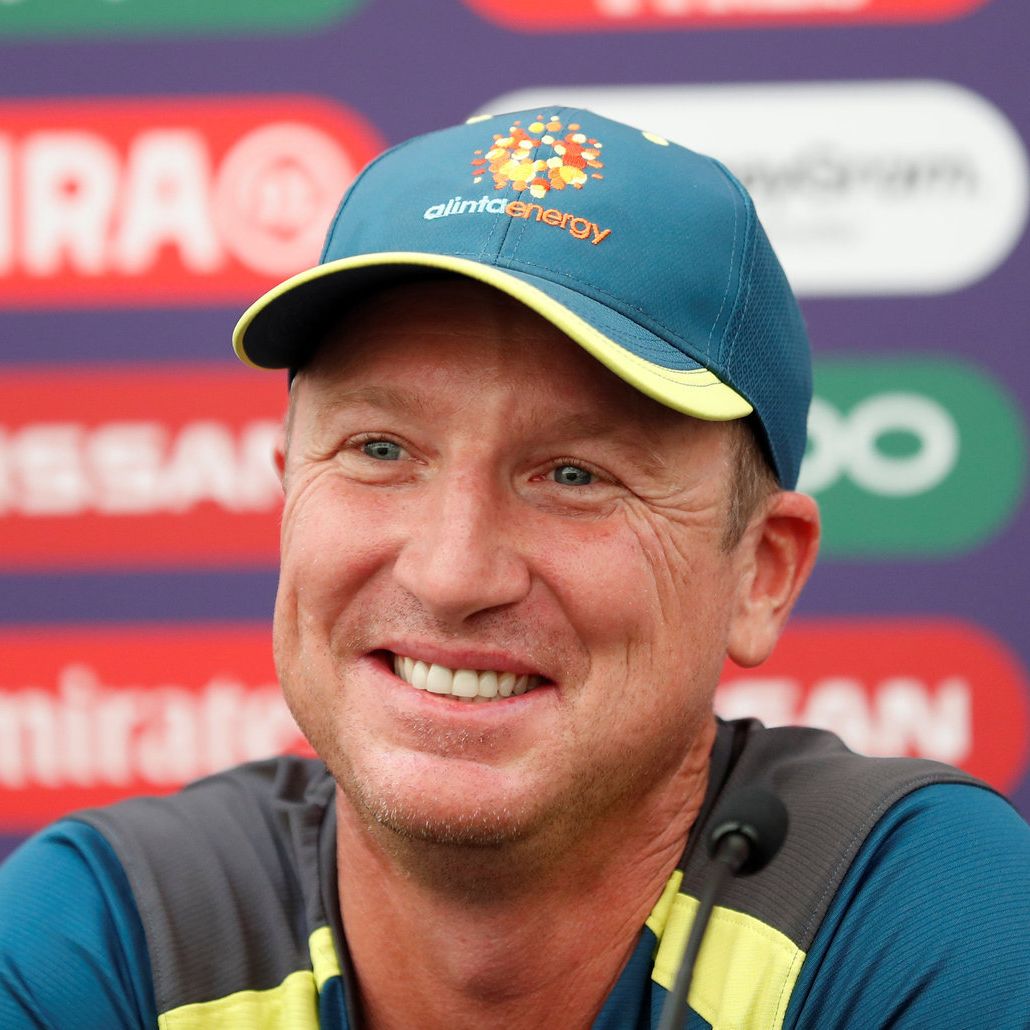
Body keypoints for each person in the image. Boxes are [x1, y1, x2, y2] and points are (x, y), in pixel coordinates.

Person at [1, 108, 1027, 1029]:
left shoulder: (928, 911)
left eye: (574, 475)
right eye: (379, 450)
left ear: (761, 572)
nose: (452, 574)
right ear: (289, 496)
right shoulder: (107, 934)